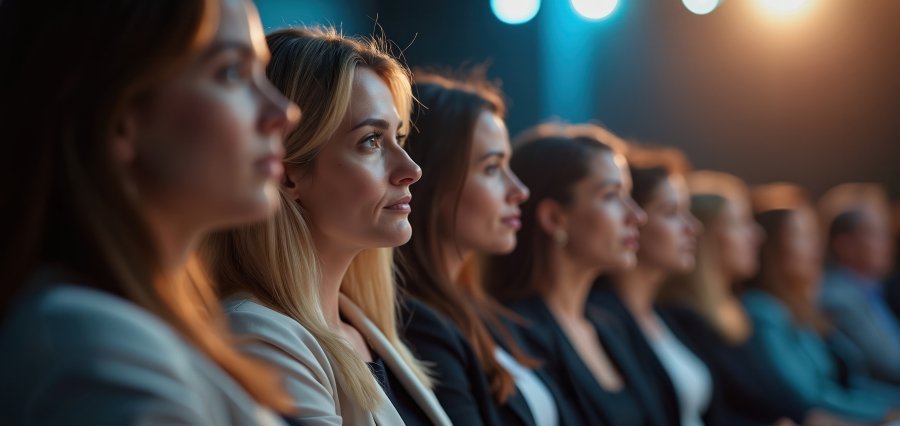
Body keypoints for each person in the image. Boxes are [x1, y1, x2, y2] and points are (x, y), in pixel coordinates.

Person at [0, 0, 299, 424]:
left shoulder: (131, 330)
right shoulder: (89, 344)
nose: (283, 113)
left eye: (262, 73)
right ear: (120, 118)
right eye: (231, 72)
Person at [201, 27, 451, 426]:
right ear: (286, 174)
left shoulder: (363, 330)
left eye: (399, 137)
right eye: (371, 140)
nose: (411, 170)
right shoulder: (257, 337)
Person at [397, 72, 574, 426]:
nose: (519, 190)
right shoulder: (415, 325)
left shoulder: (482, 312)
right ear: (428, 178)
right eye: (493, 168)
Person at [488, 123, 678, 426]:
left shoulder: (612, 324)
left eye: (628, 194)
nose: (636, 215)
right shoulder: (512, 335)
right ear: (554, 217)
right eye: (611, 196)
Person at [657, 172, 819, 426]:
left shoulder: (736, 311)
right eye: (741, 223)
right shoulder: (684, 317)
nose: (757, 236)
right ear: (708, 236)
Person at [744, 183, 900, 424]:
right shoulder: (763, 311)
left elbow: (846, 386)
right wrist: (885, 413)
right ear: (774, 248)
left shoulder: (797, 309)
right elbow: (810, 398)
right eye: (803, 237)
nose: (816, 248)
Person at [817, 183, 900, 385]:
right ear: (844, 245)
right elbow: (891, 365)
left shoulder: (871, 290)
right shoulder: (836, 297)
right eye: (875, 233)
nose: (888, 242)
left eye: (886, 231)